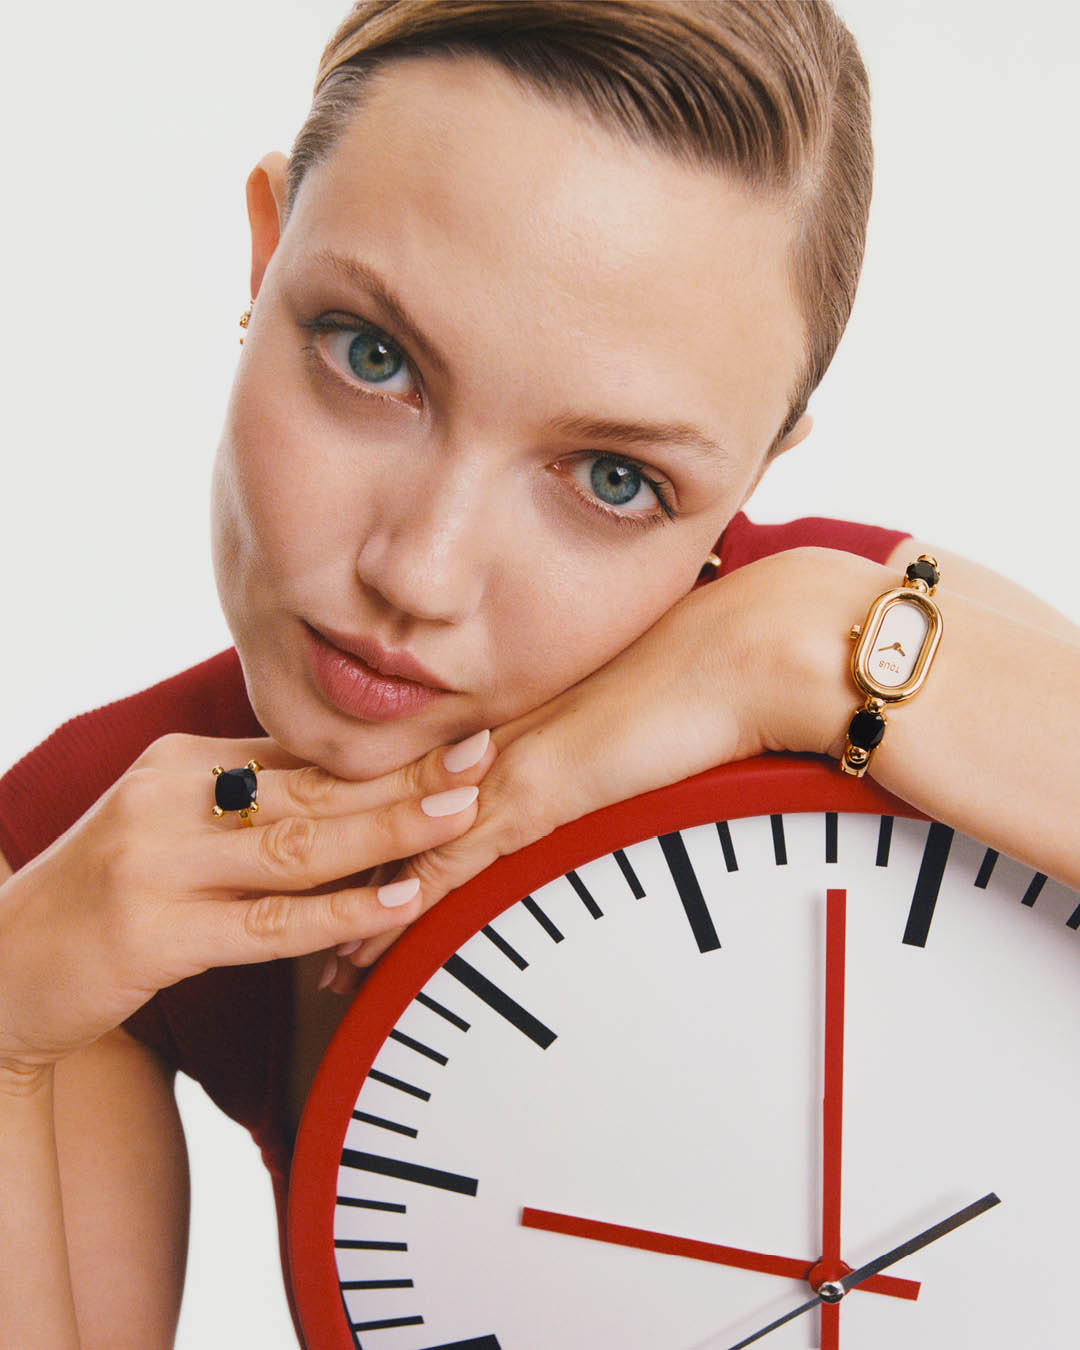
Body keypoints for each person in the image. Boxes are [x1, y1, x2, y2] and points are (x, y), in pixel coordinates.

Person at [1, 1, 1077, 1346]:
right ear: (265, 257)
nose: (422, 572)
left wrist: (793, 639)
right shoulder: (97, 860)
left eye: (615, 477)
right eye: (371, 355)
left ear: (755, 467)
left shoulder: (875, 662)